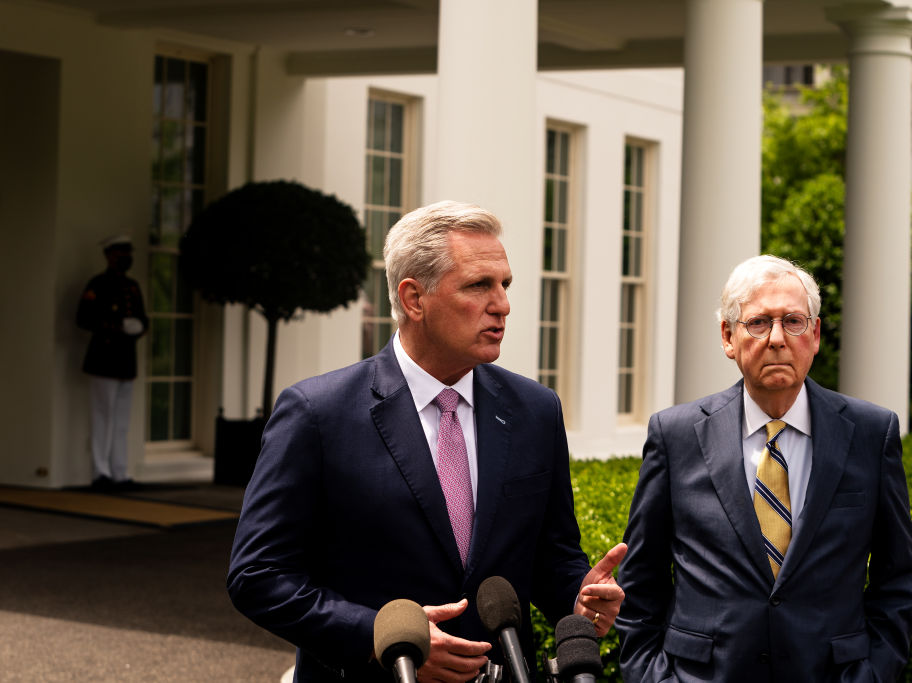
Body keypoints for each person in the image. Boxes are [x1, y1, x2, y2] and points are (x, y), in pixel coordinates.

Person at [227, 200, 626, 683]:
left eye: (504, 284)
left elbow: (551, 556)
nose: (501, 303)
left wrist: (578, 597)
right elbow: (259, 576)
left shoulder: (535, 410)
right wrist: (382, 638)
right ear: (414, 299)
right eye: (479, 285)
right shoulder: (317, 413)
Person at [615, 254, 912, 682]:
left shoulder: (871, 433)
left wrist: (874, 673)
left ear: (814, 335)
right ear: (728, 337)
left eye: (794, 321)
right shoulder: (676, 435)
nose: (777, 338)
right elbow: (640, 581)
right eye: (758, 323)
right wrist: (650, 676)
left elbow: (898, 575)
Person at [76, 234, 148, 490]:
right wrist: (117, 326)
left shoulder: (132, 286)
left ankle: (120, 471)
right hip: (103, 360)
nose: (126, 258)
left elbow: (143, 319)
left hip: (125, 361)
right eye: (121, 253)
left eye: (128, 253)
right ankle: (100, 472)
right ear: (109, 255)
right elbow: (84, 319)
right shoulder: (98, 284)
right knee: (102, 416)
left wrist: (138, 327)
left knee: (121, 420)